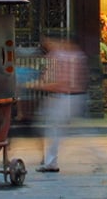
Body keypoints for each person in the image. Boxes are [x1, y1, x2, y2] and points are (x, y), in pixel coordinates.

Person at [36, 37, 88, 173]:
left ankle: (51, 163)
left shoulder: (56, 57)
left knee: (54, 131)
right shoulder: (77, 56)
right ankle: (51, 162)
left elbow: (54, 81)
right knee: (61, 130)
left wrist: (37, 85)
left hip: (60, 98)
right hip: (75, 97)